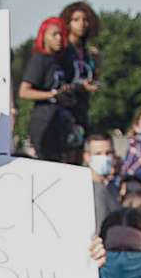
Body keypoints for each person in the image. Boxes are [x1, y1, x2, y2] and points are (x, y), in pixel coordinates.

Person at [19, 10, 96, 165]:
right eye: (54, 35)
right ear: (44, 36)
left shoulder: (58, 60)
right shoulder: (40, 59)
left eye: (61, 34)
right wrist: (50, 94)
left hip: (61, 121)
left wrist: (80, 87)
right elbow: (24, 91)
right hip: (44, 122)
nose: (59, 39)